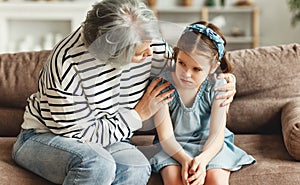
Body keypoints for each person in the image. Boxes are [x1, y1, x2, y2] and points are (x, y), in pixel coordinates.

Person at [12, 0, 237, 185]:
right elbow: (81, 136)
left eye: (152, 44)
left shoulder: (148, 45)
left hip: (112, 137)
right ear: (112, 58)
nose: (152, 53)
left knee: (137, 167)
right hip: (48, 136)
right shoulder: (66, 67)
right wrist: (137, 115)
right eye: (141, 54)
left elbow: (189, 63)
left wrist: (227, 80)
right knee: (97, 164)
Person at [150, 21, 255, 185]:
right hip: (172, 147)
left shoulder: (218, 86)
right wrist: (185, 160)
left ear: (213, 67)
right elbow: (166, 137)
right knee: (174, 180)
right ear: (176, 56)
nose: (186, 74)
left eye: (196, 69)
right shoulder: (162, 85)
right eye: (181, 63)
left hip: (211, 146)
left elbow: (216, 135)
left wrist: (203, 160)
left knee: (216, 180)